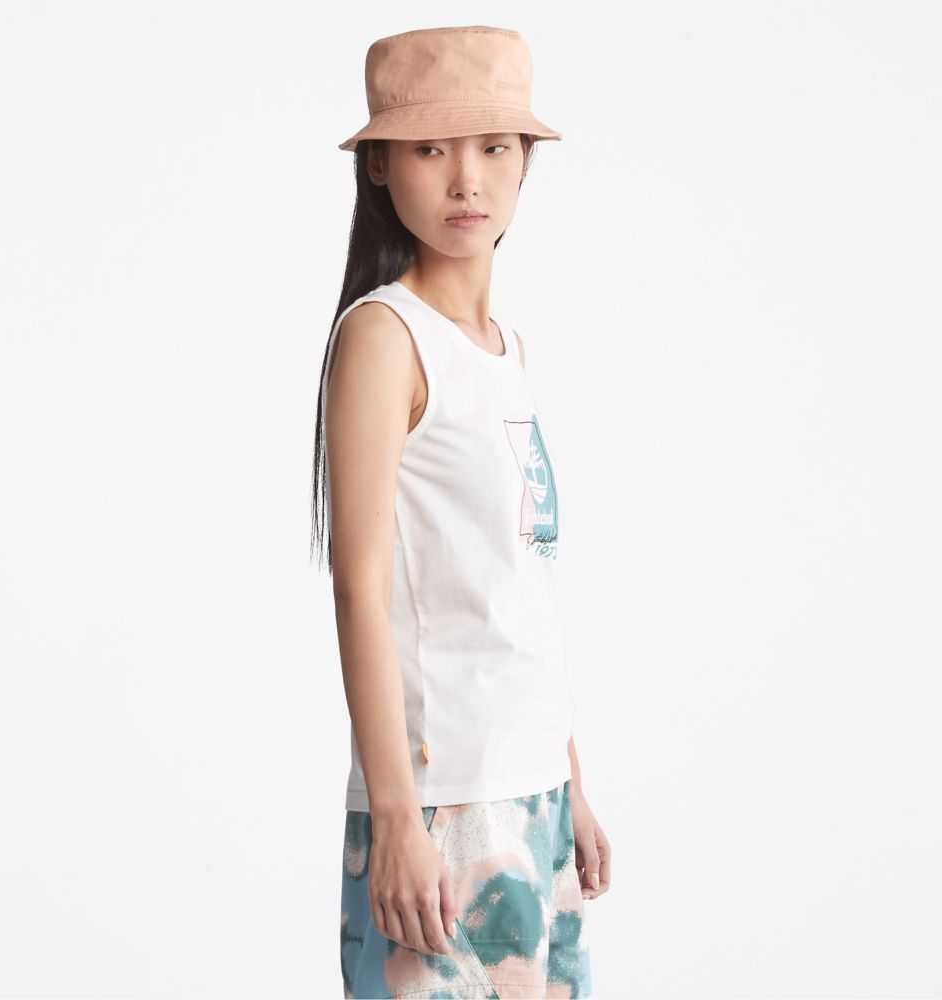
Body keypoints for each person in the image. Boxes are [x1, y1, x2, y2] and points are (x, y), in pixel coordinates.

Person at [311, 25, 609, 999]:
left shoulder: (505, 350)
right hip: (444, 802)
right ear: (380, 167)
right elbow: (358, 587)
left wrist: (570, 784)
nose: (467, 179)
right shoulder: (386, 337)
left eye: (494, 147)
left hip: (534, 794)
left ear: (526, 162)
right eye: (432, 149)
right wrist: (398, 817)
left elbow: (512, 587)